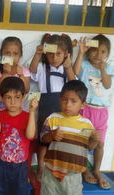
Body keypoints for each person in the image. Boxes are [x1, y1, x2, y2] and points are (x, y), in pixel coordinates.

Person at [40, 80, 101, 195]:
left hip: (74, 175)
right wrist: (52, 135)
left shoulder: (87, 124)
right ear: (60, 99)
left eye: (73, 101)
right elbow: (43, 138)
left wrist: (95, 140)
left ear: (83, 104)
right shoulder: (53, 118)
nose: (68, 105)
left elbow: (88, 147)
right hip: (51, 172)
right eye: (64, 100)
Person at [29, 33, 75, 181]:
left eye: (58, 54)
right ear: (45, 54)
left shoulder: (67, 69)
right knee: (44, 139)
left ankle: (60, 168)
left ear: (66, 55)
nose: (54, 58)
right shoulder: (43, 67)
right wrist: (37, 54)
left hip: (63, 109)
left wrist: (68, 68)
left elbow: (74, 84)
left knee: (61, 139)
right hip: (46, 106)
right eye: (50, 54)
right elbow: (32, 70)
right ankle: (41, 168)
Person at [73, 34, 113, 189]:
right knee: (83, 143)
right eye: (95, 51)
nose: (98, 55)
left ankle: (96, 170)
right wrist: (81, 52)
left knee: (100, 144)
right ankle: (83, 169)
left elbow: (108, 85)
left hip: (101, 112)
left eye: (103, 52)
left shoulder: (109, 67)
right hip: (86, 109)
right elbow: (75, 72)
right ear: (89, 51)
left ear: (107, 54)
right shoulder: (84, 63)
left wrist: (103, 71)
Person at [0, 77, 38, 195]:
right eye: (8, 97)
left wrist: (32, 112)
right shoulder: (0, 114)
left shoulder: (27, 116)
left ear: (23, 97)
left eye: (17, 97)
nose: (13, 102)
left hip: (20, 166)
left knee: (20, 191)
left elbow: (30, 135)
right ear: (2, 98)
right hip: (1, 164)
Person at [0, 36, 31, 111]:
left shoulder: (24, 71)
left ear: (20, 55)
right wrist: (5, 73)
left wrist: (21, 75)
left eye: (15, 54)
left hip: (17, 110)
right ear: (1, 54)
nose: (11, 57)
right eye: (7, 53)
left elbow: (26, 90)